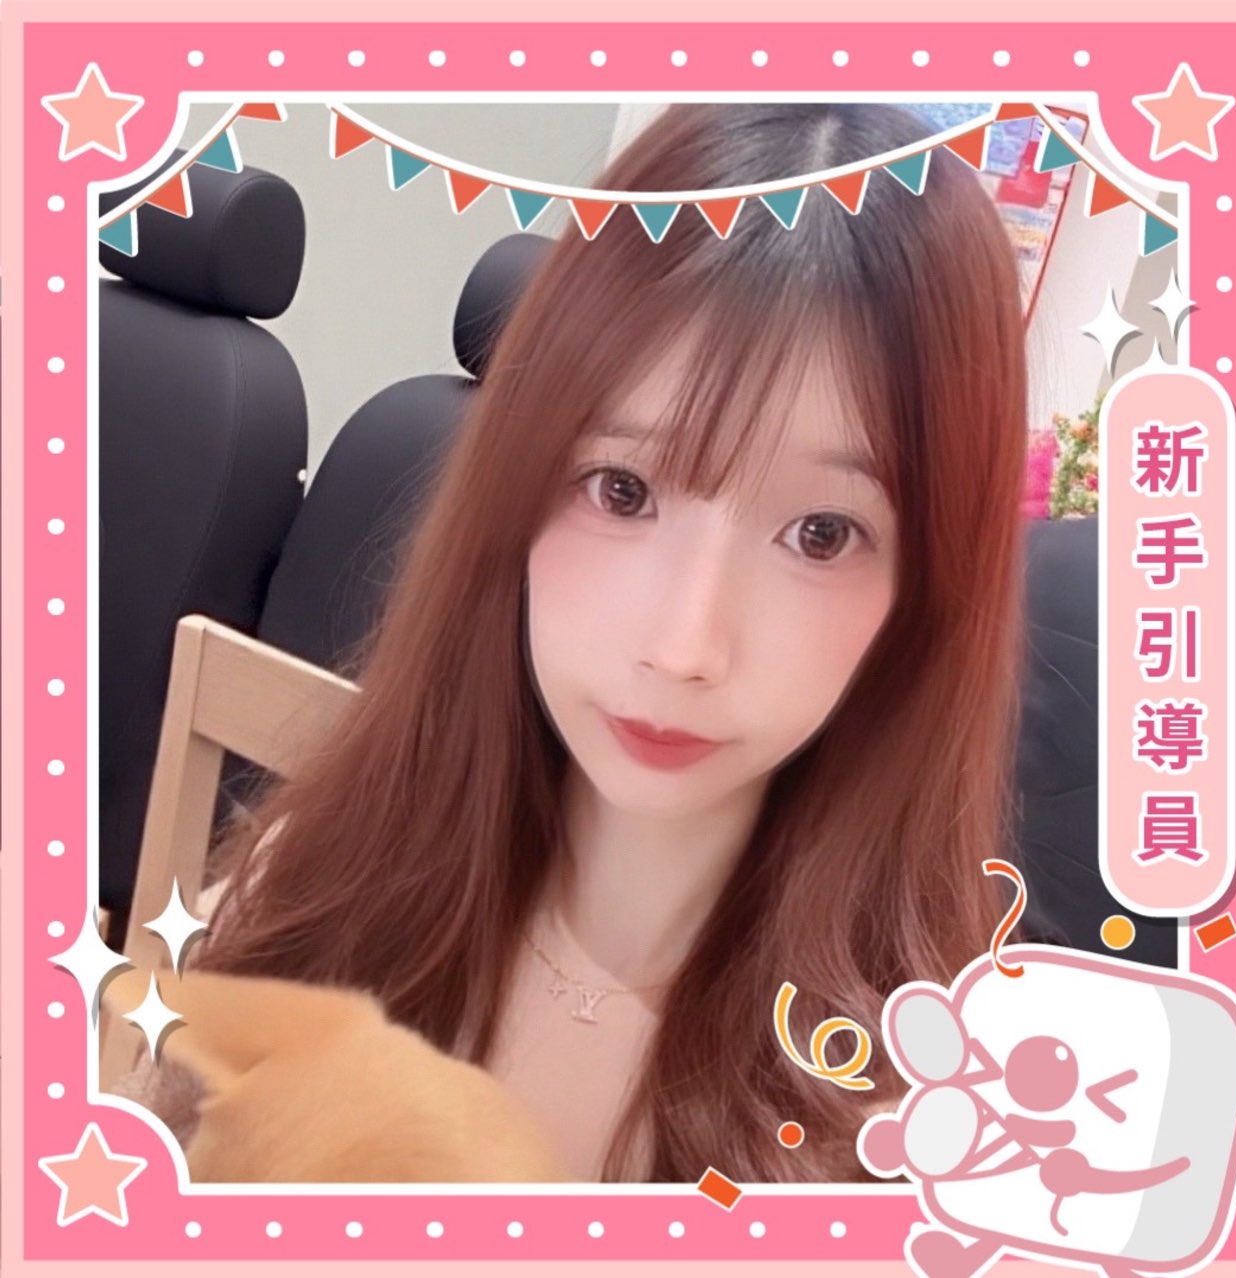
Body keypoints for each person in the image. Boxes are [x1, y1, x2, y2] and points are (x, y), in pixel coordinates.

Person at [115, 100, 1030, 1184]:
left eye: (821, 534)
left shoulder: (938, 1115)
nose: (684, 646)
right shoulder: (316, 894)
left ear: (929, 590)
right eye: (622, 489)